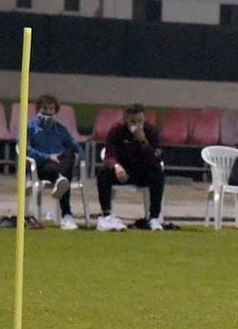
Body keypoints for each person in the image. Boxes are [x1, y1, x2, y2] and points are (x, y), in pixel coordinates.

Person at [97, 103, 164, 231]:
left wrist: (143, 141)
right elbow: (108, 154)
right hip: (122, 171)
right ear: (126, 119)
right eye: (133, 121)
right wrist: (116, 166)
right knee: (103, 172)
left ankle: (154, 217)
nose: (137, 124)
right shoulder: (117, 130)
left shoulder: (151, 131)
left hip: (142, 172)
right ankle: (106, 215)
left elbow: (156, 158)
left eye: (140, 121)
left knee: (157, 172)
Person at [27, 94, 84, 230]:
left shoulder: (60, 129)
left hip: (60, 164)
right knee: (64, 176)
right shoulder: (29, 127)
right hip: (41, 166)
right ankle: (67, 214)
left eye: (51, 109)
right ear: (38, 109)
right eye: (44, 108)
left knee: (69, 154)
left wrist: (78, 156)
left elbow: (77, 147)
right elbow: (25, 149)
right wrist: (47, 156)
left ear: (55, 111)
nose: (48, 112)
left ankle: (60, 179)